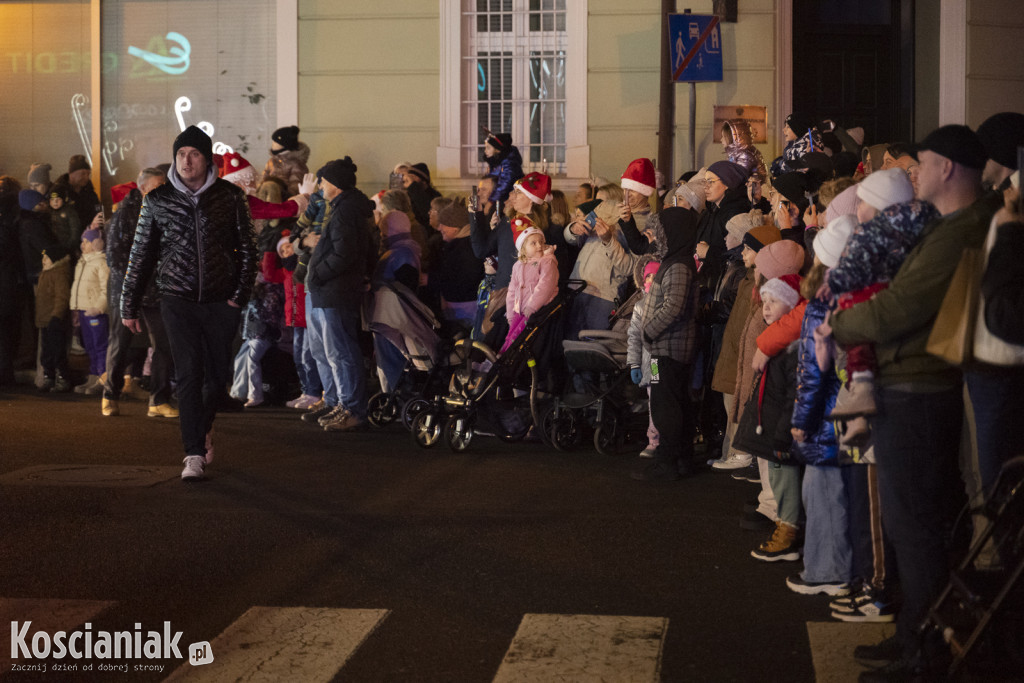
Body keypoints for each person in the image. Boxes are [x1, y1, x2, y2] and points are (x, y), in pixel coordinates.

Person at [827, 125, 1001, 680]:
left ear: (946, 167)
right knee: (913, 525)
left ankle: (922, 652)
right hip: (912, 380)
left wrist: (840, 321)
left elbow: (900, 306)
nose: (913, 174)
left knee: (916, 525)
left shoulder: (958, 233)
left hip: (918, 386)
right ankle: (912, 635)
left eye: (921, 164)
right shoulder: (947, 225)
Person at [121, 125, 258, 481]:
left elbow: (248, 249)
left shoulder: (229, 196)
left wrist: (237, 297)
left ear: (207, 158)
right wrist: (128, 305)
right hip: (176, 300)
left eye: (194, 153)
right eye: (181, 153)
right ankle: (193, 454)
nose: (186, 160)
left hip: (220, 302)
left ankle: (203, 427)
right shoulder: (158, 200)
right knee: (188, 374)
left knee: (217, 377)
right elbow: (141, 256)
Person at [733, 273, 804, 560]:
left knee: (784, 479)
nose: (766, 306)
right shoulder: (774, 343)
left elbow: (792, 395)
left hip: (780, 428)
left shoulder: (789, 349)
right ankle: (782, 524)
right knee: (776, 476)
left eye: (774, 301)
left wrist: (783, 430)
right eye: (764, 300)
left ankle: (787, 533)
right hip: (772, 423)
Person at [304, 156, 376, 433]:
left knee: (341, 352)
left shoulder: (346, 211)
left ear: (335, 183)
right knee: (334, 352)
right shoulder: (346, 208)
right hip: (333, 290)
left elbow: (344, 253)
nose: (320, 185)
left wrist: (318, 273)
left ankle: (352, 409)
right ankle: (342, 404)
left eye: (323, 180)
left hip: (336, 290)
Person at [630, 207, 700, 482]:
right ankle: (679, 459)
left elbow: (673, 306)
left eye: (661, 232)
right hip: (664, 347)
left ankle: (668, 461)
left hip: (667, 348)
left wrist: (648, 331)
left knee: (665, 404)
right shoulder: (676, 261)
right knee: (671, 402)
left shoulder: (679, 265)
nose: (658, 238)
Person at [101, 167, 177, 418]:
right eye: (157, 186)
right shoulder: (125, 212)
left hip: (156, 289)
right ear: (143, 188)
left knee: (164, 343)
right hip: (127, 289)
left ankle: (158, 400)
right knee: (120, 342)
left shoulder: (167, 212)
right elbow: (115, 255)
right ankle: (110, 394)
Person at [502, 218, 558, 353]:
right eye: (533, 243)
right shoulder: (517, 265)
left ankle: (506, 357)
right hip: (519, 308)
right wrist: (510, 313)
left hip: (535, 309)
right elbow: (511, 291)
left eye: (541, 242)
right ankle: (501, 356)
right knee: (510, 334)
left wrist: (532, 306)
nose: (539, 245)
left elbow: (545, 286)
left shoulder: (547, 262)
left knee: (518, 337)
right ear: (523, 249)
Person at [628, 259, 661, 458]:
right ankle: (654, 440)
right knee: (653, 402)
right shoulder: (640, 306)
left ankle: (662, 439)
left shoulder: (665, 302)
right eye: (648, 276)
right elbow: (634, 336)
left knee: (660, 400)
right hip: (650, 364)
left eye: (655, 276)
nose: (651, 280)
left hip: (658, 362)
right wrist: (634, 363)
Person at [69, 228, 109, 395]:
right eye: (82, 241)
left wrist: (99, 307)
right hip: (84, 311)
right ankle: (93, 375)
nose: (82, 245)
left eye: (86, 241)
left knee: (100, 345)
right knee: (90, 345)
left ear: (95, 243)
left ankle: (103, 377)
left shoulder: (101, 262)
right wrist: (75, 307)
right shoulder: (82, 262)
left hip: (95, 312)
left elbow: (105, 288)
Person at [262, 125, 310, 196]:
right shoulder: (272, 160)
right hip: (270, 196)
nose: (273, 144)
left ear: (285, 144)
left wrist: (285, 196)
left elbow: (296, 184)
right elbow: (265, 176)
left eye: (276, 141)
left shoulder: (296, 164)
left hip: (285, 200)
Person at [482, 131, 524, 205]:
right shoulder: (497, 161)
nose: (485, 151)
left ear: (497, 149)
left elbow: (504, 184)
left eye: (488, 148)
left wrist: (491, 201)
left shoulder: (509, 163)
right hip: (500, 198)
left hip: (510, 200)